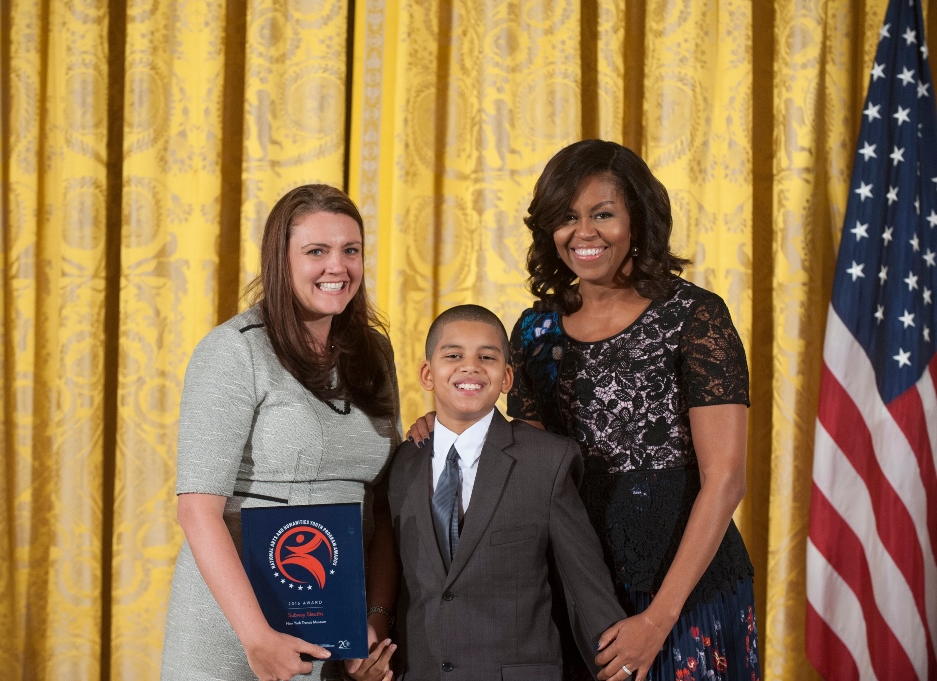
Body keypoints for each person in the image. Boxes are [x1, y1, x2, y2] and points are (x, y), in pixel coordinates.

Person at [409, 140, 760, 681]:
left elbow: (726, 478)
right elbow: (517, 466)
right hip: (573, 591)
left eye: (603, 214)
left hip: (684, 595)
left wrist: (657, 620)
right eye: (567, 218)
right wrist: (451, 425)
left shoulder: (694, 316)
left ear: (637, 220)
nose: (584, 233)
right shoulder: (536, 330)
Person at [160, 185, 402, 681]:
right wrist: (257, 638)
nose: (338, 267)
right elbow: (197, 509)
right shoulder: (233, 351)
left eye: (350, 250)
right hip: (237, 628)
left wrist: (373, 618)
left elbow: (382, 500)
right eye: (317, 251)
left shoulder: (375, 355)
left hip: (337, 628)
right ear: (280, 259)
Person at [374, 304, 626, 681]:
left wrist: (616, 660)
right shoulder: (402, 463)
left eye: (487, 357)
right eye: (453, 355)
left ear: (507, 377)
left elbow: (583, 582)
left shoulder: (547, 460)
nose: (470, 367)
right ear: (428, 373)